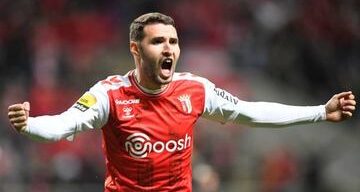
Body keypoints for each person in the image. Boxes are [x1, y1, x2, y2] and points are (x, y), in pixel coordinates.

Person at [8, 12, 356, 191]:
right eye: (158, 41)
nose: (169, 48)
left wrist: (320, 112)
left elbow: (251, 112)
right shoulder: (108, 95)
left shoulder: (195, 90)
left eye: (173, 41)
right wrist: (31, 125)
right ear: (135, 49)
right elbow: (62, 125)